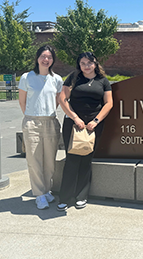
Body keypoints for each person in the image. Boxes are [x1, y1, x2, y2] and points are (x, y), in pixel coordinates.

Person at [57, 52, 113, 211]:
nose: (86, 66)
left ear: (95, 63)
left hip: (92, 127)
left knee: (86, 160)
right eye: (83, 63)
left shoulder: (103, 81)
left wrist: (95, 121)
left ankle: (81, 196)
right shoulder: (73, 78)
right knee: (71, 161)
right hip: (73, 125)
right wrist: (75, 118)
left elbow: (108, 103)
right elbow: (62, 99)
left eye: (89, 63)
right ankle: (65, 198)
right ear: (79, 65)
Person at [18, 45, 63, 209]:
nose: (46, 60)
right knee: (34, 160)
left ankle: (46, 190)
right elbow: (22, 101)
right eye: (43, 56)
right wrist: (31, 116)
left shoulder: (57, 79)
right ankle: (39, 194)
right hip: (32, 122)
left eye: (49, 57)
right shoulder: (27, 77)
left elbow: (58, 100)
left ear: (53, 60)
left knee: (50, 161)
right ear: (37, 58)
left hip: (50, 121)